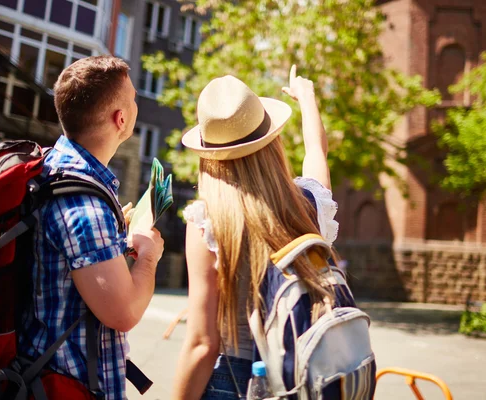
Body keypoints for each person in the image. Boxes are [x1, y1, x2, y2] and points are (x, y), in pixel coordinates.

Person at [172, 66, 339, 399]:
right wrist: (307, 98)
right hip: (298, 377)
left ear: (210, 156)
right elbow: (317, 153)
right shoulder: (308, 204)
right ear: (272, 142)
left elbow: (203, 345)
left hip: (232, 382)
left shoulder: (206, 219)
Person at [18, 56, 165, 399]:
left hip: (38, 370)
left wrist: (116, 237)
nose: (136, 105)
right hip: (70, 385)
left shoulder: (50, 166)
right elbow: (124, 312)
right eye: (133, 98)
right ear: (121, 119)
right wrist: (147, 255)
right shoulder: (85, 206)